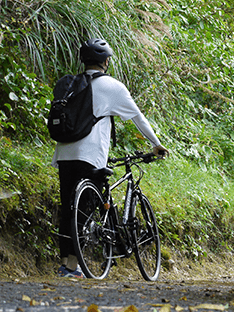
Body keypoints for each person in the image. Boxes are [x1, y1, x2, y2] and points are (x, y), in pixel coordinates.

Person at [52, 37, 169, 278]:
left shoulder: (71, 84)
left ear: (84, 60)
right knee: (83, 210)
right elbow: (138, 118)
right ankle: (74, 267)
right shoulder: (111, 86)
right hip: (89, 155)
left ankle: (66, 264)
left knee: (69, 209)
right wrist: (156, 144)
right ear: (106, 61)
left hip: (64, 154)